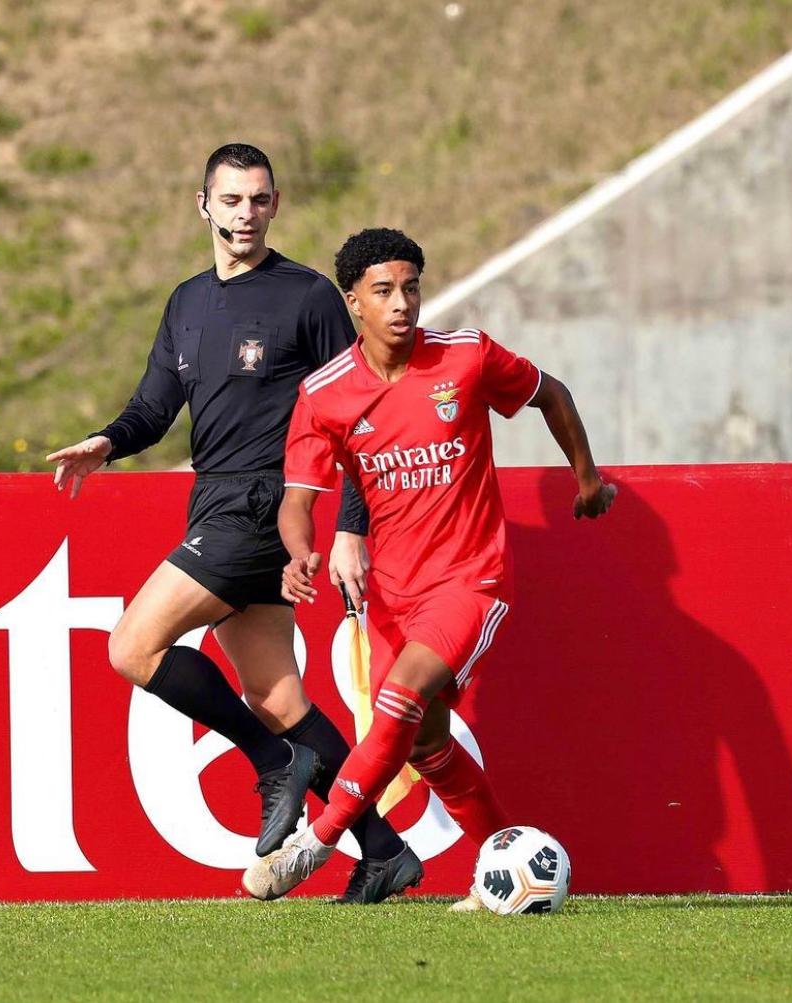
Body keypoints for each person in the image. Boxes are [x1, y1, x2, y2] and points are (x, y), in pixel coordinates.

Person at [45, 146, 420, 904]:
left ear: (276, 205)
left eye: (258, 200)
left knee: (132, 645)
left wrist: (351, 524)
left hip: (261, 505)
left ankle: (272, 761)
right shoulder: (186, 302)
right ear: (203, 206)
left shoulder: (308, 296)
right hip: (213, 498)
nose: (245, 214)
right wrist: (107, 441)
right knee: (279, 698)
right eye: (232, 200)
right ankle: (383, 849)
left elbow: (361, 417)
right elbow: (154, 407)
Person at [241, 227, 617, 906]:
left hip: (473, 578)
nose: (402, 303)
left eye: (410, 287)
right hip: (393, 593)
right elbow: (299, 500)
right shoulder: (326, 395)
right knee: (425, 744)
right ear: (354, 300)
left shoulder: (466, 357)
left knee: (400, 699)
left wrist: (586, 477)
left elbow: (550, 393)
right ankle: (506, 873)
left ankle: (315, 842)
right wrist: (301, 553)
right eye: (383, 290)